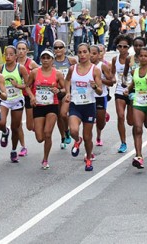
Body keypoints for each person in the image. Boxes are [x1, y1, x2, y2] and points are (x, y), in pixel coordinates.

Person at [64, 43, 103, 171]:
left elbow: (100, 91)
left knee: (88, 137)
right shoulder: (72, 69)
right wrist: (68, 93)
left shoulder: (95, 70)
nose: (82, 55)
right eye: (79, 52)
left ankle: (88, 159)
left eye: (85, 52)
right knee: (73, 130)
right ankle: (77, 140)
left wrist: (95, 87)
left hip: (89, 105)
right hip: (75, 105)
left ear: (89, 53)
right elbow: (67, 80)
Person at [26, 49, 65, 169]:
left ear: (52, 60)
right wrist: (32, 96)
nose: (46, 60)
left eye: (48, 58)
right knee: (39, 138)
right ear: (41, 59)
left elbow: (65, 89)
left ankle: (45, 159)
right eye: (44, 58)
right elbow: (27, 86)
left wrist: (58, 90)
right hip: (38, 106)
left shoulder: (57, 74)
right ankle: (44, 149)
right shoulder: (34, 72)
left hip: (52, 106)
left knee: (48, 134)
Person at [0, 46, 29, 163]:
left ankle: (14, 150)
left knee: (15, 127)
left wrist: (17, 86)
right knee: (1, 122)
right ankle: (5, 132)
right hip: (5, 99)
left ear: (16, 56)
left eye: (11, 54)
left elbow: (28, 84)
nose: (8, 57)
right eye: (6, 54)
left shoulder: (21, 69)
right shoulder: (0, 68)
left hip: (17, 100)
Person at [53, 39, 77, 149]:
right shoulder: (51, 61)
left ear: (64, 49)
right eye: (56, 47)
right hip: (54, 92)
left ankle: (67, 131)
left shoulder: (71, 61)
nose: (58, 49)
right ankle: (63, 136)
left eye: (60, 47)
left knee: (63, 114)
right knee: (59, 116)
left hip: (67, 91)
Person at [16, 41, 39, 156]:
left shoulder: (31, 63)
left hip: (28, 94)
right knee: (18, 123)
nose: (21, 51)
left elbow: (40, 74)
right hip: (16, 96)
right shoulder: (12, 62)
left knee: (29, 126)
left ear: (27, 51)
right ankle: (23, 147)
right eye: (19, 48)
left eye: (23, 49)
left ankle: (37, 126)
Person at [111, 34, 132, 153]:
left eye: (125, 46)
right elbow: (112, 74)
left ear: (129, 47)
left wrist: (130, 87)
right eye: (120, 46)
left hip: (132, 90)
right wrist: (112, 80)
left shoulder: (133, 58)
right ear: (117, 47)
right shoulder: (115, 59)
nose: (122, 49)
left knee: (130, 121)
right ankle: (123, 142)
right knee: (120, 116)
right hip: (120, 89)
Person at [90, 45, 113, 146]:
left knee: (100, 124)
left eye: (94, 54)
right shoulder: (82, 66)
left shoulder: (102, 66)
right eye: (89, 53)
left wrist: (99, 80)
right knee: (88, 122)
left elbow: (111, 82)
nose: (91, 56)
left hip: (101, 96)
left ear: (99, 55)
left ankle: (99, 135)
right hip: (88, 97)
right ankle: (89, 143)